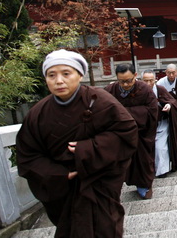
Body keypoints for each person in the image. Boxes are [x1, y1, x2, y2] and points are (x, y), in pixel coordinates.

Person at [16, 50, 138, 237]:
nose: (59, 80)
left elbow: (126, 132)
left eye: (66, 73)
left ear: (80, 75)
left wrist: (88, 149)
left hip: (98, 181)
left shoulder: (100, 100)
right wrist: (58, 174)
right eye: (51, 75)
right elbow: (27, 156)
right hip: (63, 189)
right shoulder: (37, 113)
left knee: (104, 228)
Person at [105, 63, 159, 199]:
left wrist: (124, 115)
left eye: (129, 80)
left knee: (143, 161)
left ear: (135, 76)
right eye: (122, 81)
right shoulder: (110, 90)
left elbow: (152, 111)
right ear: (116, 78)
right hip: (119, 135)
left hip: (141, 134)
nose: (126, 84)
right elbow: (102, 110)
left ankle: (144, 186)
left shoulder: (145, 90)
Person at [141, 70, 177, 177]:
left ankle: (162, 171)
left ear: (155, 79)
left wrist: (169, 106)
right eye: (145, 81)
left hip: (161, 123)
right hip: (145, 125)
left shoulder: (160, 89)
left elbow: (172, 101)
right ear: (141, 80)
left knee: (161, 148)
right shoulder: (138, 91)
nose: (148, 83)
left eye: (151, 80)